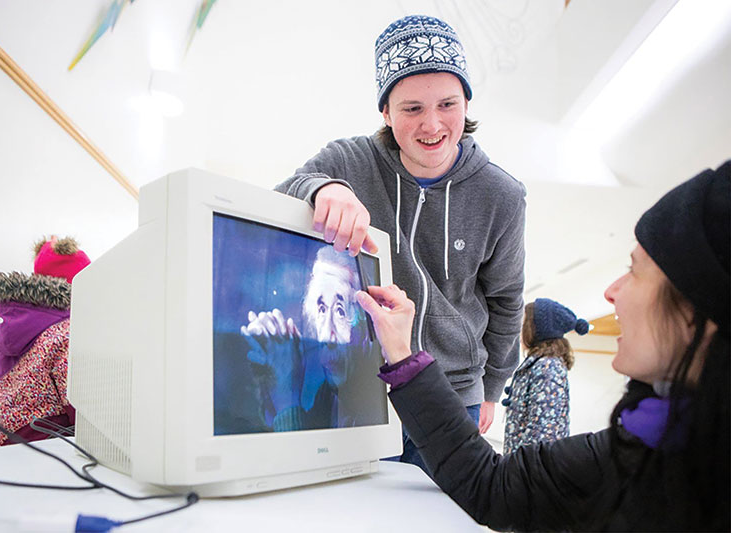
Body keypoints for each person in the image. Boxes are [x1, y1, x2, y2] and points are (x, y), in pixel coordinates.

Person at [356, 161, 730, 531]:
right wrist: (404, 357)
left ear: (695, 311)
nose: (612, 292)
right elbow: (492, 486)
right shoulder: (636, 448)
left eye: (634, 271)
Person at [276, 14, 525, 471]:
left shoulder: (502, 196)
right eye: (412, 109)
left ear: (466, 103)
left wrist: (491, 389)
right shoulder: (348, 159)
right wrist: (323, 188)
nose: (432, 125)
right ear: (386, 113)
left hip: (453, 395)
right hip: (363, 391)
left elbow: (507, 301)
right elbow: (284, 191)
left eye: (447, 104)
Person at [241, 246, 380, 430]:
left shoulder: (378, 407)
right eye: (321, 310)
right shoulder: (328, 397)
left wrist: (286, 392)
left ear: (369, 326)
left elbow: (297, 457)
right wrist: (269, 385)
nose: (327, 338)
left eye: (340, 310)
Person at [0, 236, 91, 447]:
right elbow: (80, 405)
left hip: (4, 448)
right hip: (50, 449)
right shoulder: (66, 333)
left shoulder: (12, 337)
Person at [502, 298, 589, 454]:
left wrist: (517, 471)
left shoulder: (547, 368)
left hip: (529, 471)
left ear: (535, 329)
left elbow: (542, 433)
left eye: (523, 325)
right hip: (519, 466)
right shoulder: (538, 364)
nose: (519, 331)